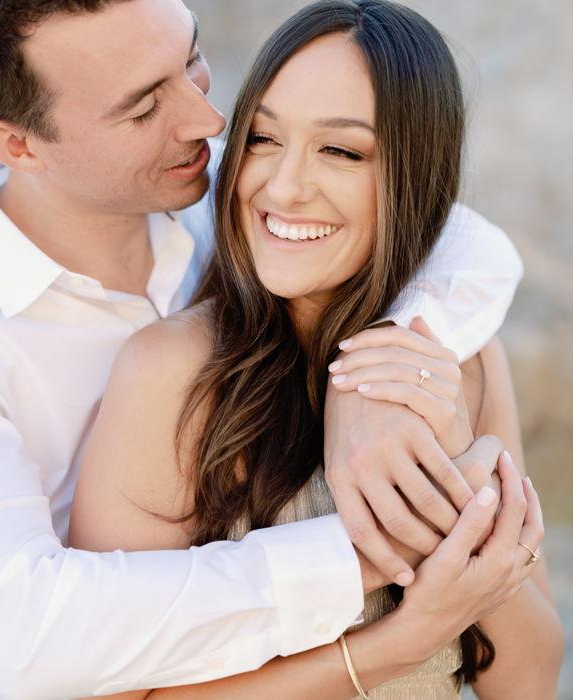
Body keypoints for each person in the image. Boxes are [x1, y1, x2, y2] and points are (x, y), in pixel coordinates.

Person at [0, 0, 535, 698]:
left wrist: (370, 369)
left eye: (190, 58)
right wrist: (369, 553)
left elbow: (457, 237)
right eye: (143, 108)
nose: (209, 121)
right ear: (17, 146)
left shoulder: (233, 184)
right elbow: (29, 639)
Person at [69, 1, 563, 698]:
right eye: (263, 139)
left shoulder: (463, 360)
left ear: (416, 176)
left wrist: (458, 482)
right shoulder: (174, 374)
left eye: (340, 151)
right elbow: (108, 689)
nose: (283, 186)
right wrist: (401, 641)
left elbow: (529, 679)